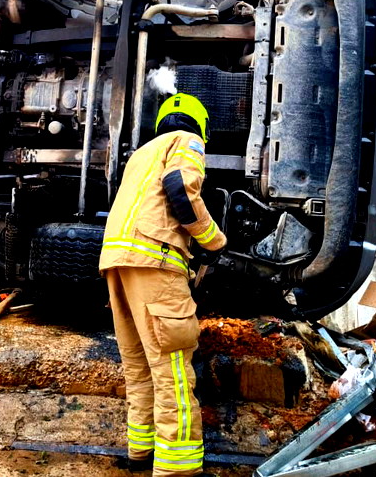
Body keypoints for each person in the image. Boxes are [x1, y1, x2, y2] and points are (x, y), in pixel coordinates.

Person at [100, 93, 227, 476]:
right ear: (200, 124)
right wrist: (212, 239)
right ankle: (178, 467)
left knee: (139, 365)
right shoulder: (186, 142)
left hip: (118, 264)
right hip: (156, 261)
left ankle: (140, 451)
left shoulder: (141, 153)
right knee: (172, 368)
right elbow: (179, 188)